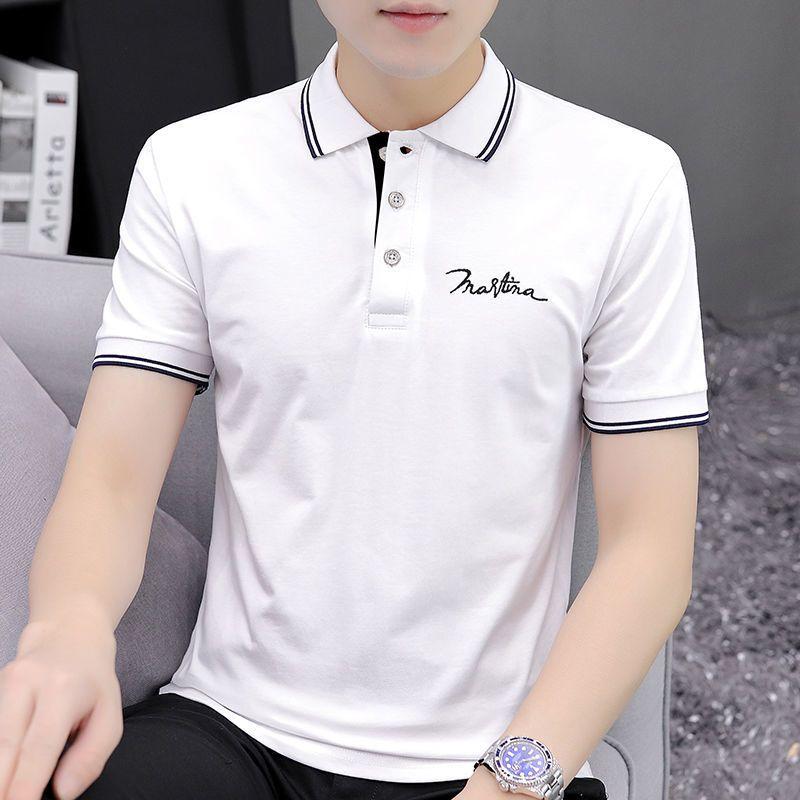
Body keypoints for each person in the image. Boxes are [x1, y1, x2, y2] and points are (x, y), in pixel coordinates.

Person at [0, 2, 711, 799]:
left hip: (488, 760)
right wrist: (64, 638)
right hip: (230, 729)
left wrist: (512, 782)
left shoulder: (627, 183)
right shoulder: (190, 166)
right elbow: (112, 481)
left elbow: (649, 553)